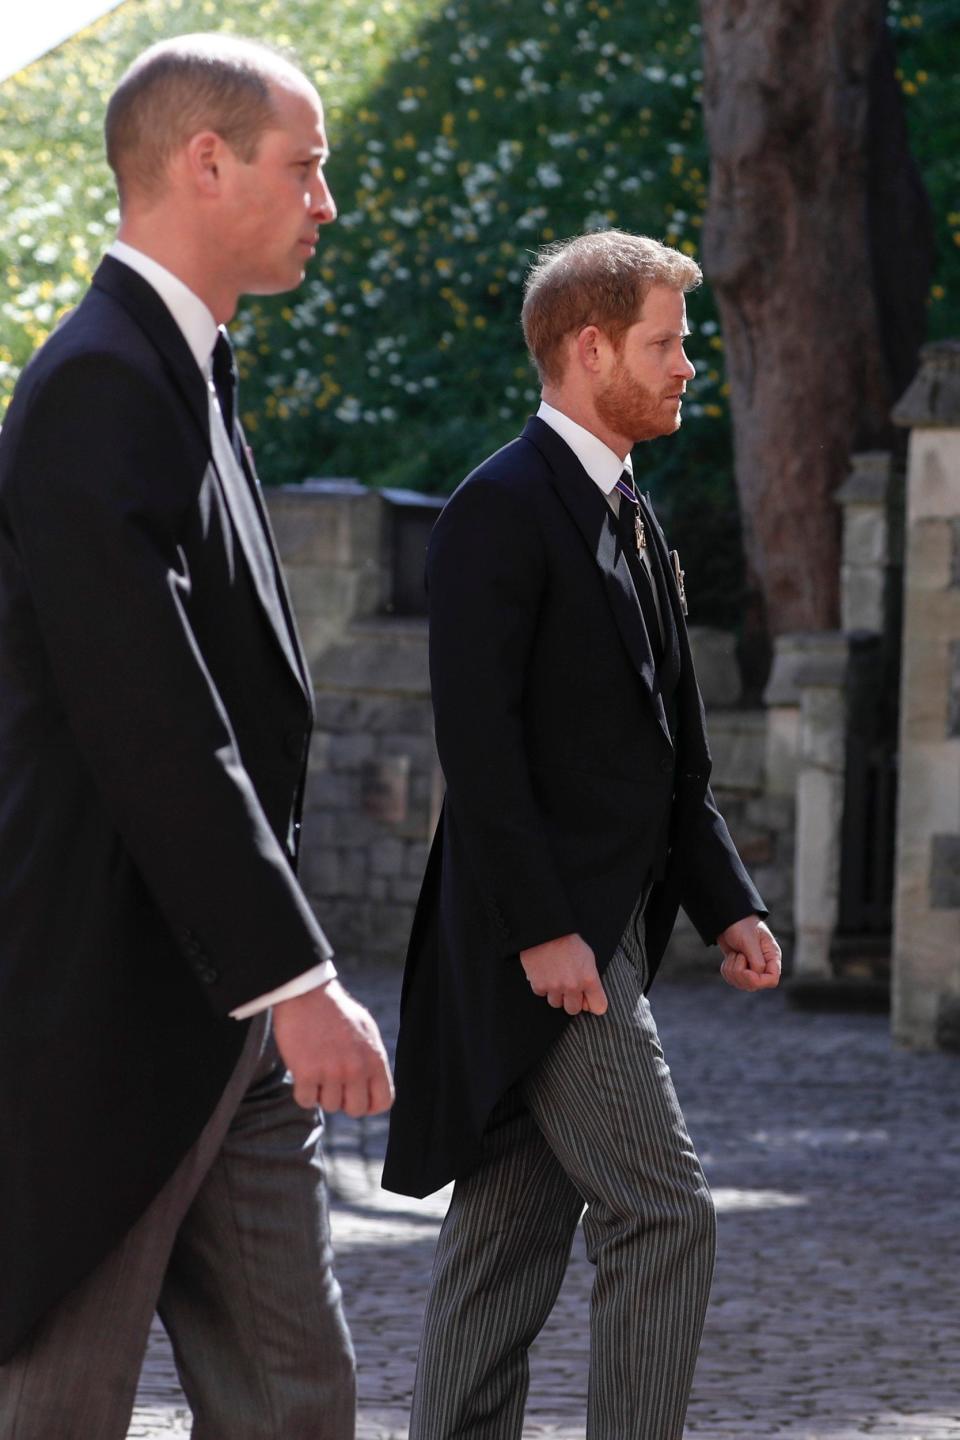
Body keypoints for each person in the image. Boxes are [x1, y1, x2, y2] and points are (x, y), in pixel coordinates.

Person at [0, 34, 393, 1439]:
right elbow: (149, 712)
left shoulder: (187, 370)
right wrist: (293, 976)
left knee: (296, 1398)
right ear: (204, 159)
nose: (326, 203)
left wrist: (274, 987)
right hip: (109, 1007)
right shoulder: (102, 382)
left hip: (219, 1016)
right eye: (309, 167)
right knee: (54, 1401)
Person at [382, 230, 782, 1440]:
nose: (685, 368)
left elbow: (673, 757)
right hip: (546, 941)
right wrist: (550, 930)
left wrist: (729, 901)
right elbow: (482, 749)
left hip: (602, 928)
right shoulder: (498, 509)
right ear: (589, 345)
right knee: (666, 1212)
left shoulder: (634, 515)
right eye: (665, 344)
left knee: (506, 1236)